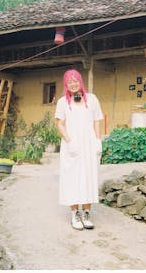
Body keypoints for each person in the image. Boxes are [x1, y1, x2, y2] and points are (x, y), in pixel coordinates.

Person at [54, 69, 104, 230]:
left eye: (76, 80)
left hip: (89, 143)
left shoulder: (92, 99)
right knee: (72, 177)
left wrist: (98, 140)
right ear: (66, 84)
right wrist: (69, 142)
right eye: (70, 81)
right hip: (72, 145)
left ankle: (87, 213)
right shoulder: (62, 102)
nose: (73, 84)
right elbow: (60, 124)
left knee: (89, 176)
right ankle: (75, 213)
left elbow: (97, 120)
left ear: (80, 81)